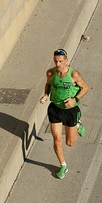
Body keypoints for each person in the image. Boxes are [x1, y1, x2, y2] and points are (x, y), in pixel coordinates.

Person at [39, 49, 89, 179]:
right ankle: (63, 165)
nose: (58, 64)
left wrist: (75, 100)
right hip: (55, 109)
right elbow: (48, 85)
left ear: (66, 60)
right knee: (57, 140)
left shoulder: (74, 75)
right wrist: (45, 95)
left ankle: (77, 124)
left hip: (70, 111)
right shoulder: (50, 73)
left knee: (70, 143)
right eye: (55, 61)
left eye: (60, 61)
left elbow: (85, 88)